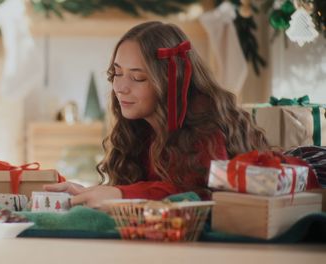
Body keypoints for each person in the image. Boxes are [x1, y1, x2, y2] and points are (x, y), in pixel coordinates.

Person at [44, 21, 270, 207]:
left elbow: (195, 193)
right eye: (117, 73)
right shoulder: (141, 127)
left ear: (171, 81)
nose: (120, 87)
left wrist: (118, 194)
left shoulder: (204, 122)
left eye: (138, 77)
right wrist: (94, 193)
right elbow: (147, 193)